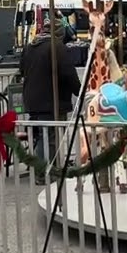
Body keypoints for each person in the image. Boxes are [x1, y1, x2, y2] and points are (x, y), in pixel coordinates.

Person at [18, 21, 81, 185]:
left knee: (40, 136)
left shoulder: (30, 47)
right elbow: (68, 73)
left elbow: (22, 69)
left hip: (33, 100)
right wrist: (79, 91)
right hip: (51, 100)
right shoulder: (57, 47)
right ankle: (45, 174)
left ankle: (42, 170)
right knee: (51, 137)